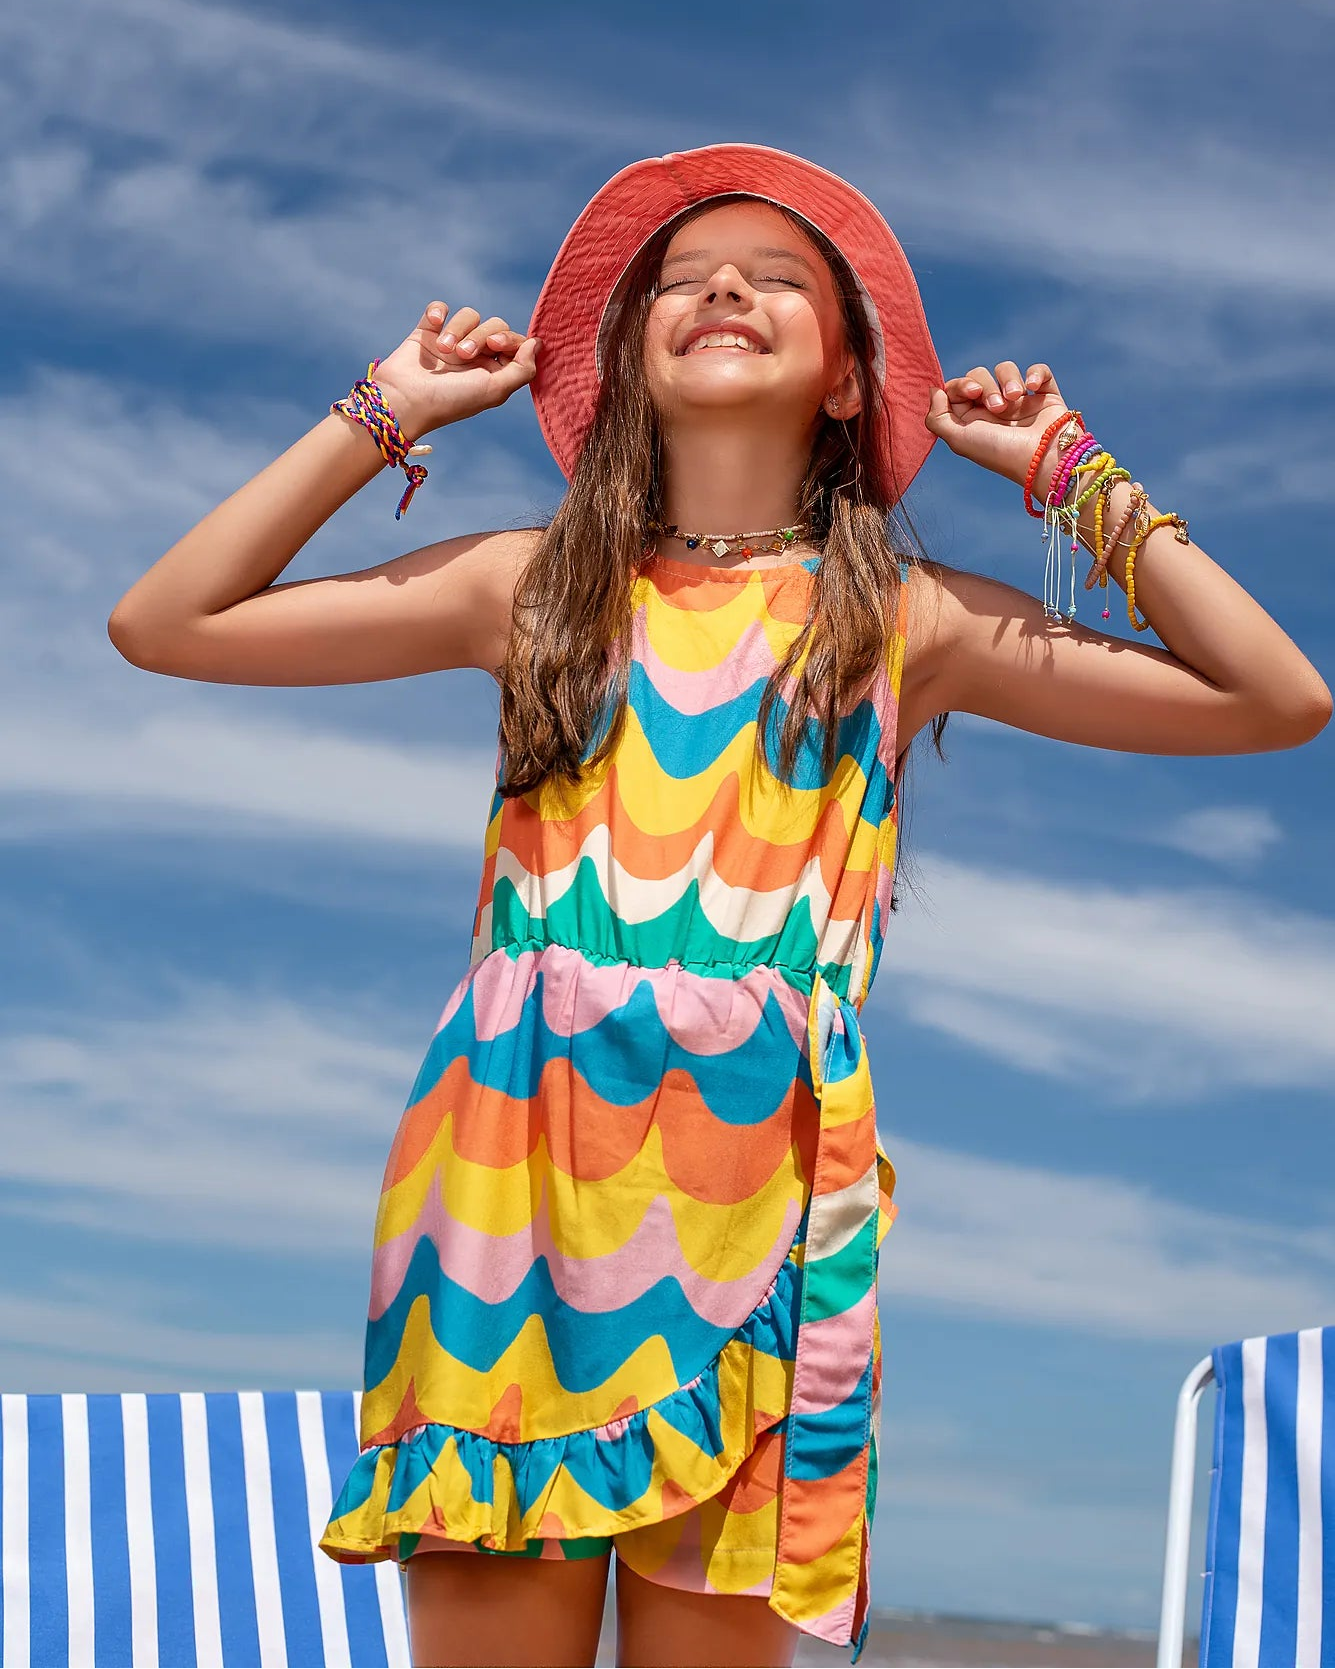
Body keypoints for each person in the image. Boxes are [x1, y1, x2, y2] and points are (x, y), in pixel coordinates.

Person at [107, 145, 1330, 1669]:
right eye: (679, 280)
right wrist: (387, 418)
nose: (723, 288)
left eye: (773, 277)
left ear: (841, 381)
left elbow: (1274, 697)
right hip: (507, 1176)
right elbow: (168, 621)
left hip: (756, 1190)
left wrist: (1068, 475)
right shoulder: (529, 583)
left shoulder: (901, 615)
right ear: (627, 358)